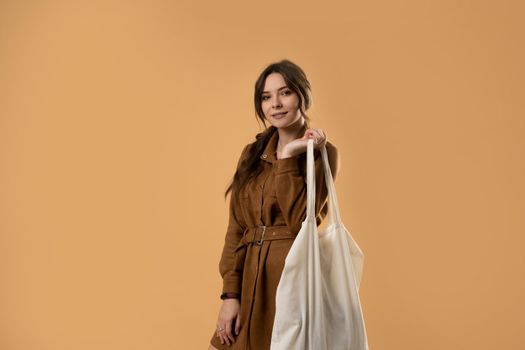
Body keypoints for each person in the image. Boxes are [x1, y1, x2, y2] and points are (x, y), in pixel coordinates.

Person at [208, 59, 339, 350]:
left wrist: (291, 155)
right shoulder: (252, 154)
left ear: (302, 95)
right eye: (266, 97)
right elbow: (236, 228)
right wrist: (230, 295)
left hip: (290, 279)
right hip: (249, 278)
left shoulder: (322, 154)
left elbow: (300, 221)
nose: (275, 104)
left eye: (285, 93)